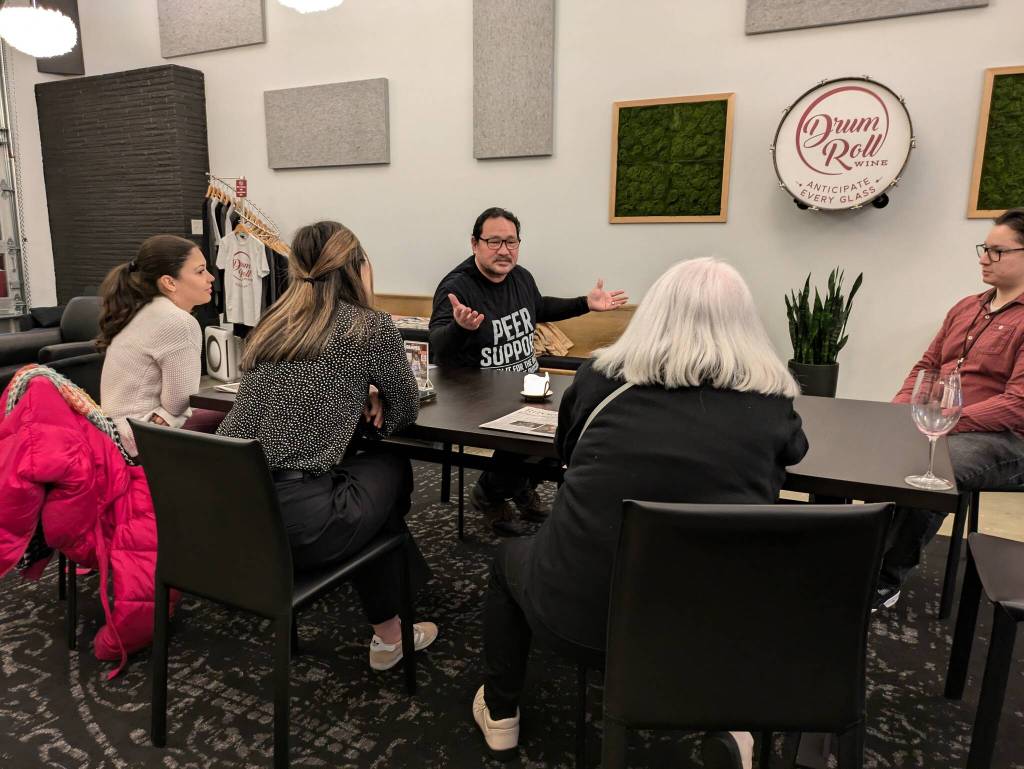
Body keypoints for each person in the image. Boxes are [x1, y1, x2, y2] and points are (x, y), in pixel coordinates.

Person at [470, 257, 809, 769]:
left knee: (506, 560)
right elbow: (795, 451)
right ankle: (730, 720)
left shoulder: (597, 379)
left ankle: (500, 714)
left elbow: (566, 450)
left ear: (654, 312)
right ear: (745, 322)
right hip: (705, 633)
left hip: (574, 615)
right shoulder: (769, 401)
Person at [216, 221, 437, 670]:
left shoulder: (271, 324)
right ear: (357, 268)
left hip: (233, 519)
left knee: (361, 480)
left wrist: (352, 395)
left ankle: (390, 625)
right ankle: (390, 622)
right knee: (388, 464)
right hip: (299, 528)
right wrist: (371, 402)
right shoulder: (368, 326)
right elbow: (404, 410)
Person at [429, 206, 629, 535]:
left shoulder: (520, 277)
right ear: (475, 243)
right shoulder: (458, 287)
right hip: (478, 394)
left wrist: (585, 303)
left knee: (568, 427)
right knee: (523, 441)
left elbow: (539, 307)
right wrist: (459, 328)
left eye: (511, 242)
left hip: (527, 387)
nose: (504, 250)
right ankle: (490, 494)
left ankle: (520, 487)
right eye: (494, 241)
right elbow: (437, 345)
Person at [878, 208, 1024, 611]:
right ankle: (859, 552)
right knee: (871, 449)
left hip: (1004, 439)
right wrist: (900, 411)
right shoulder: (965, 308)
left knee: (936, 469)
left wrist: (946, 421)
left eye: (997, 251)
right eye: (984, 249)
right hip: (943, 424)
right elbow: (926, 366)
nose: (984, 258)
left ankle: (885, 578)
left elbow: (1018, 405)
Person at [99, 235, 217, 456]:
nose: (210, 278)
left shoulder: (141, 309)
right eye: (200, 271)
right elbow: (178, 403)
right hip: (137, 440)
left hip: (114, 434)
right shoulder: (178, 321)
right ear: (169, 282)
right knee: (240, 415)